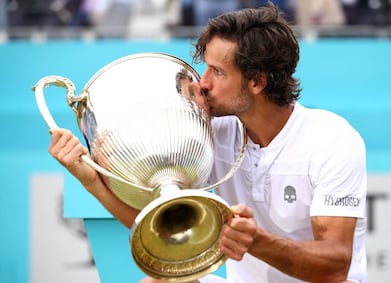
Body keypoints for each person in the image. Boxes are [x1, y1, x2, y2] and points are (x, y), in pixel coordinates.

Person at [48, 2, 367, 283]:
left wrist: (255, 240)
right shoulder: (212, 132)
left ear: (257, 82)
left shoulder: (333, 140)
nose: (203, 83)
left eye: (217, 71)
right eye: (205, 67)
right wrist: (91, 180)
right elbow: (159, 230)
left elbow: (335, 266)